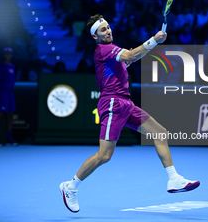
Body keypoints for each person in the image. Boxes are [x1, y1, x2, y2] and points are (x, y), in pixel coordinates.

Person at [59, 14, 200, 213]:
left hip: (126, 103)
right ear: (95, 36)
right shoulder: (104, 49)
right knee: (104, 155)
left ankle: (174, 179)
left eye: (108, 27)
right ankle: (70, 186)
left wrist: (150, 45)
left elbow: (133, 56)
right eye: (102, 30)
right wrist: (154, 40)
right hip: (112, 104)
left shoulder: (112, 52)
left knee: (160, 133)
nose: (107, 31)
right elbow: (131, 56)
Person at [0, 47, 18, 147]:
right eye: (6, 54)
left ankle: (9, 138)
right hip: (2, 93)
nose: (8, 55)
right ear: (4, 55)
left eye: (9, 54)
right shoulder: (1, 66)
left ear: (11, 55)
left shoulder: (13, 66)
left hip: (10, 93)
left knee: (10, 115)